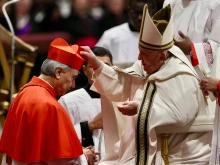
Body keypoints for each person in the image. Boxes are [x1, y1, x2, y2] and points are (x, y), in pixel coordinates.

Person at [80, 4, 213, 164]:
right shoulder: (148, 65)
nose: (139, 59)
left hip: (177, 152)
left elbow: (181, 115)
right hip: (152, 144)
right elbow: (121, 82)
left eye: (145, 55)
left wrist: (140, 108)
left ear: (162, 57)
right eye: (140, 52)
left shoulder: (181, 74)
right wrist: (97, 65)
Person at [0, 38, 99, 165]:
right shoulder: (47, 104)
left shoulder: (25, 92)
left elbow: (42, 146)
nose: (73, 85)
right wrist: (84, 156)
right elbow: (59, 160)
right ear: (58, 72)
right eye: (73, 77)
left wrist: (78, 150)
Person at [58, 46, 113, 163]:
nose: (100, 70)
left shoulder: (123, 99)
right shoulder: (68, 101)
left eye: (106, 66)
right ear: (84, 69)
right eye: (93, 66)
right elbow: (60, 138)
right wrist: (89, 126)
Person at [96, 0, 163, 66]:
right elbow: (95, 62)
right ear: (128, 10)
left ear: (153, 12)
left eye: (144, 13)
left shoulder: (161, 37)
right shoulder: (111, 36)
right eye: (135, 13)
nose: (140, 17)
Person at [163, 0, 220, 76]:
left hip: (198, 77)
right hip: (170, 71)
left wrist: (191, 49)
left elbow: (218, 46)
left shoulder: (215, 4)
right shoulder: (169, 2)